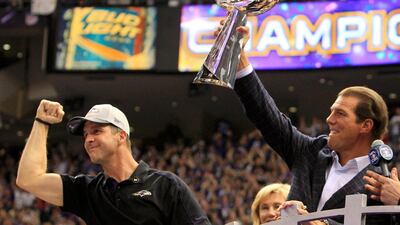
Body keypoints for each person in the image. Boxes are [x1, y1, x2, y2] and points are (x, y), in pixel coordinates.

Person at [228, 24, 391, 224]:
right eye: (331, 111)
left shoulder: (383, 183)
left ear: (365, 125)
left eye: (340, 114)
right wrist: (239, 57)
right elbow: (265, 115)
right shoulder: (310, 152)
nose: (329, 119)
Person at [16, 100, 211, 225]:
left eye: (97, 131)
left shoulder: (165, 185)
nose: (88, 139)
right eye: (85, 135)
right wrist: (41, 122)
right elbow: (29, 178)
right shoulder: (88, 191)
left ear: (121, 136)